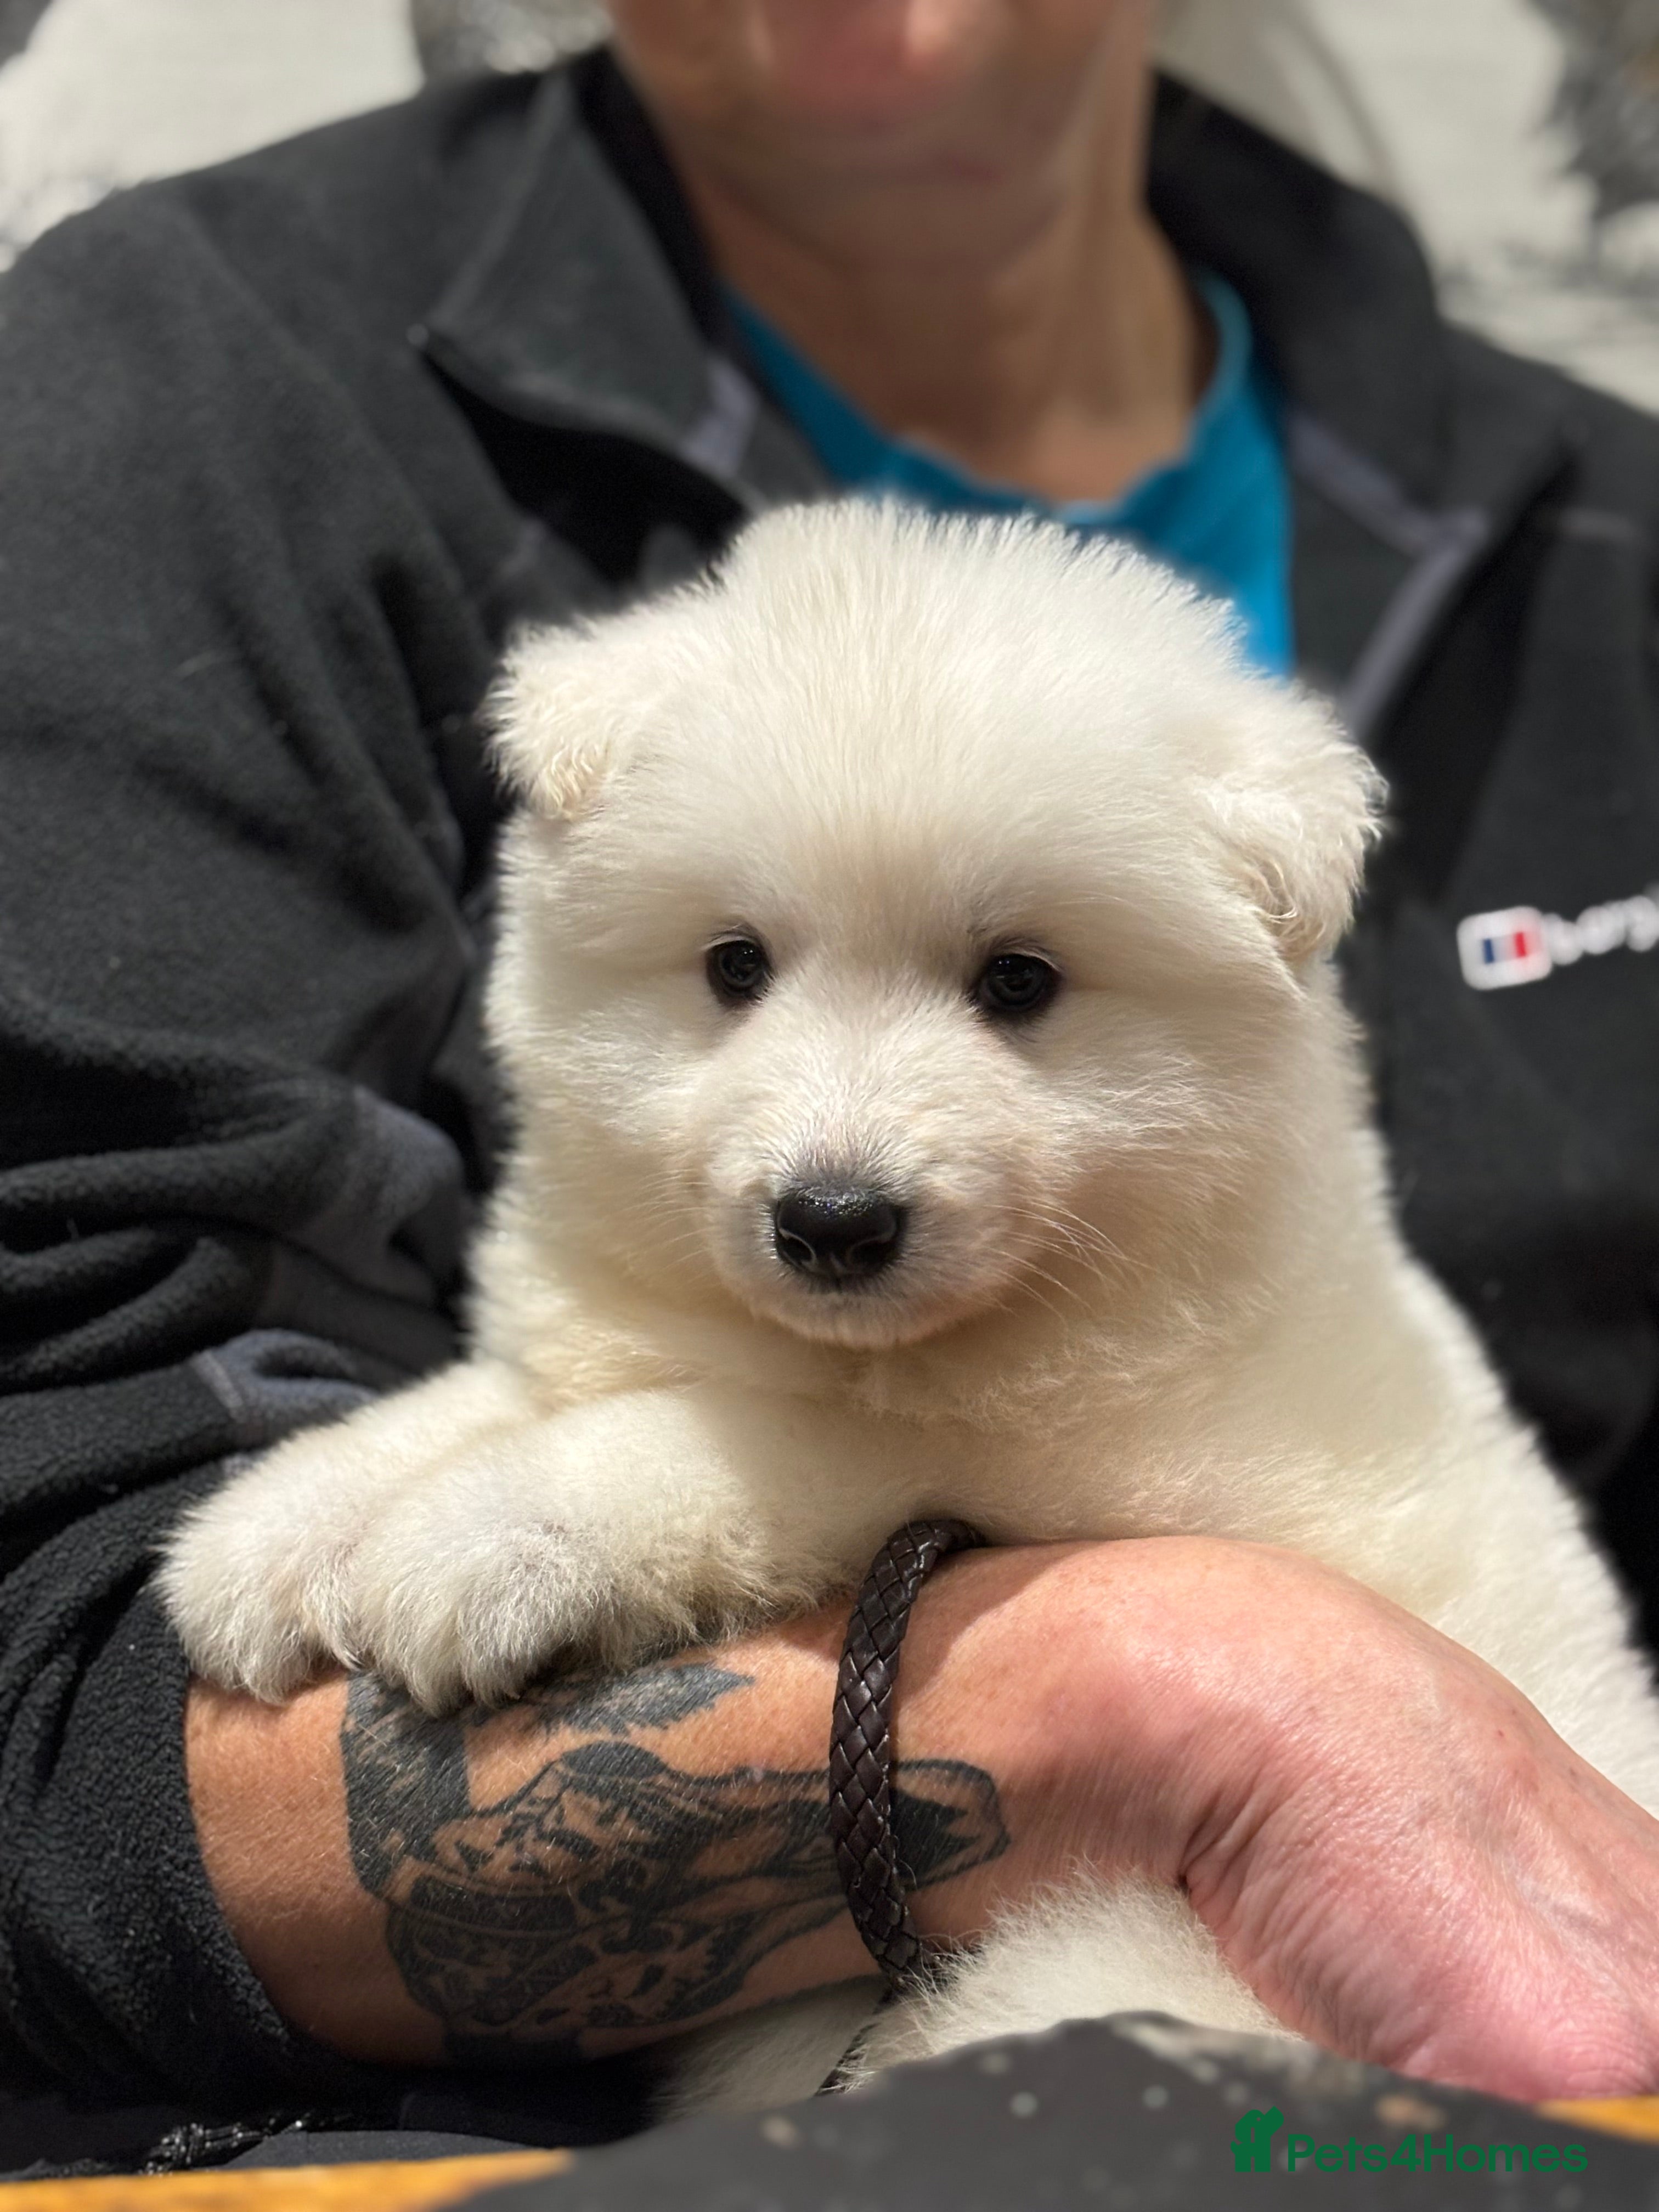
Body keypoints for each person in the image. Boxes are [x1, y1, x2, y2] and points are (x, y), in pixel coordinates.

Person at [3, 0, 1659, 2166]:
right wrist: (1130, 1692)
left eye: (1015, 984)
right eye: (737, 970)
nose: (840, 1151)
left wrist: (623, 1499)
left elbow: (1081, 1448)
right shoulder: (196, 398)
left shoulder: (1596, 537)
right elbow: (65, 1667)